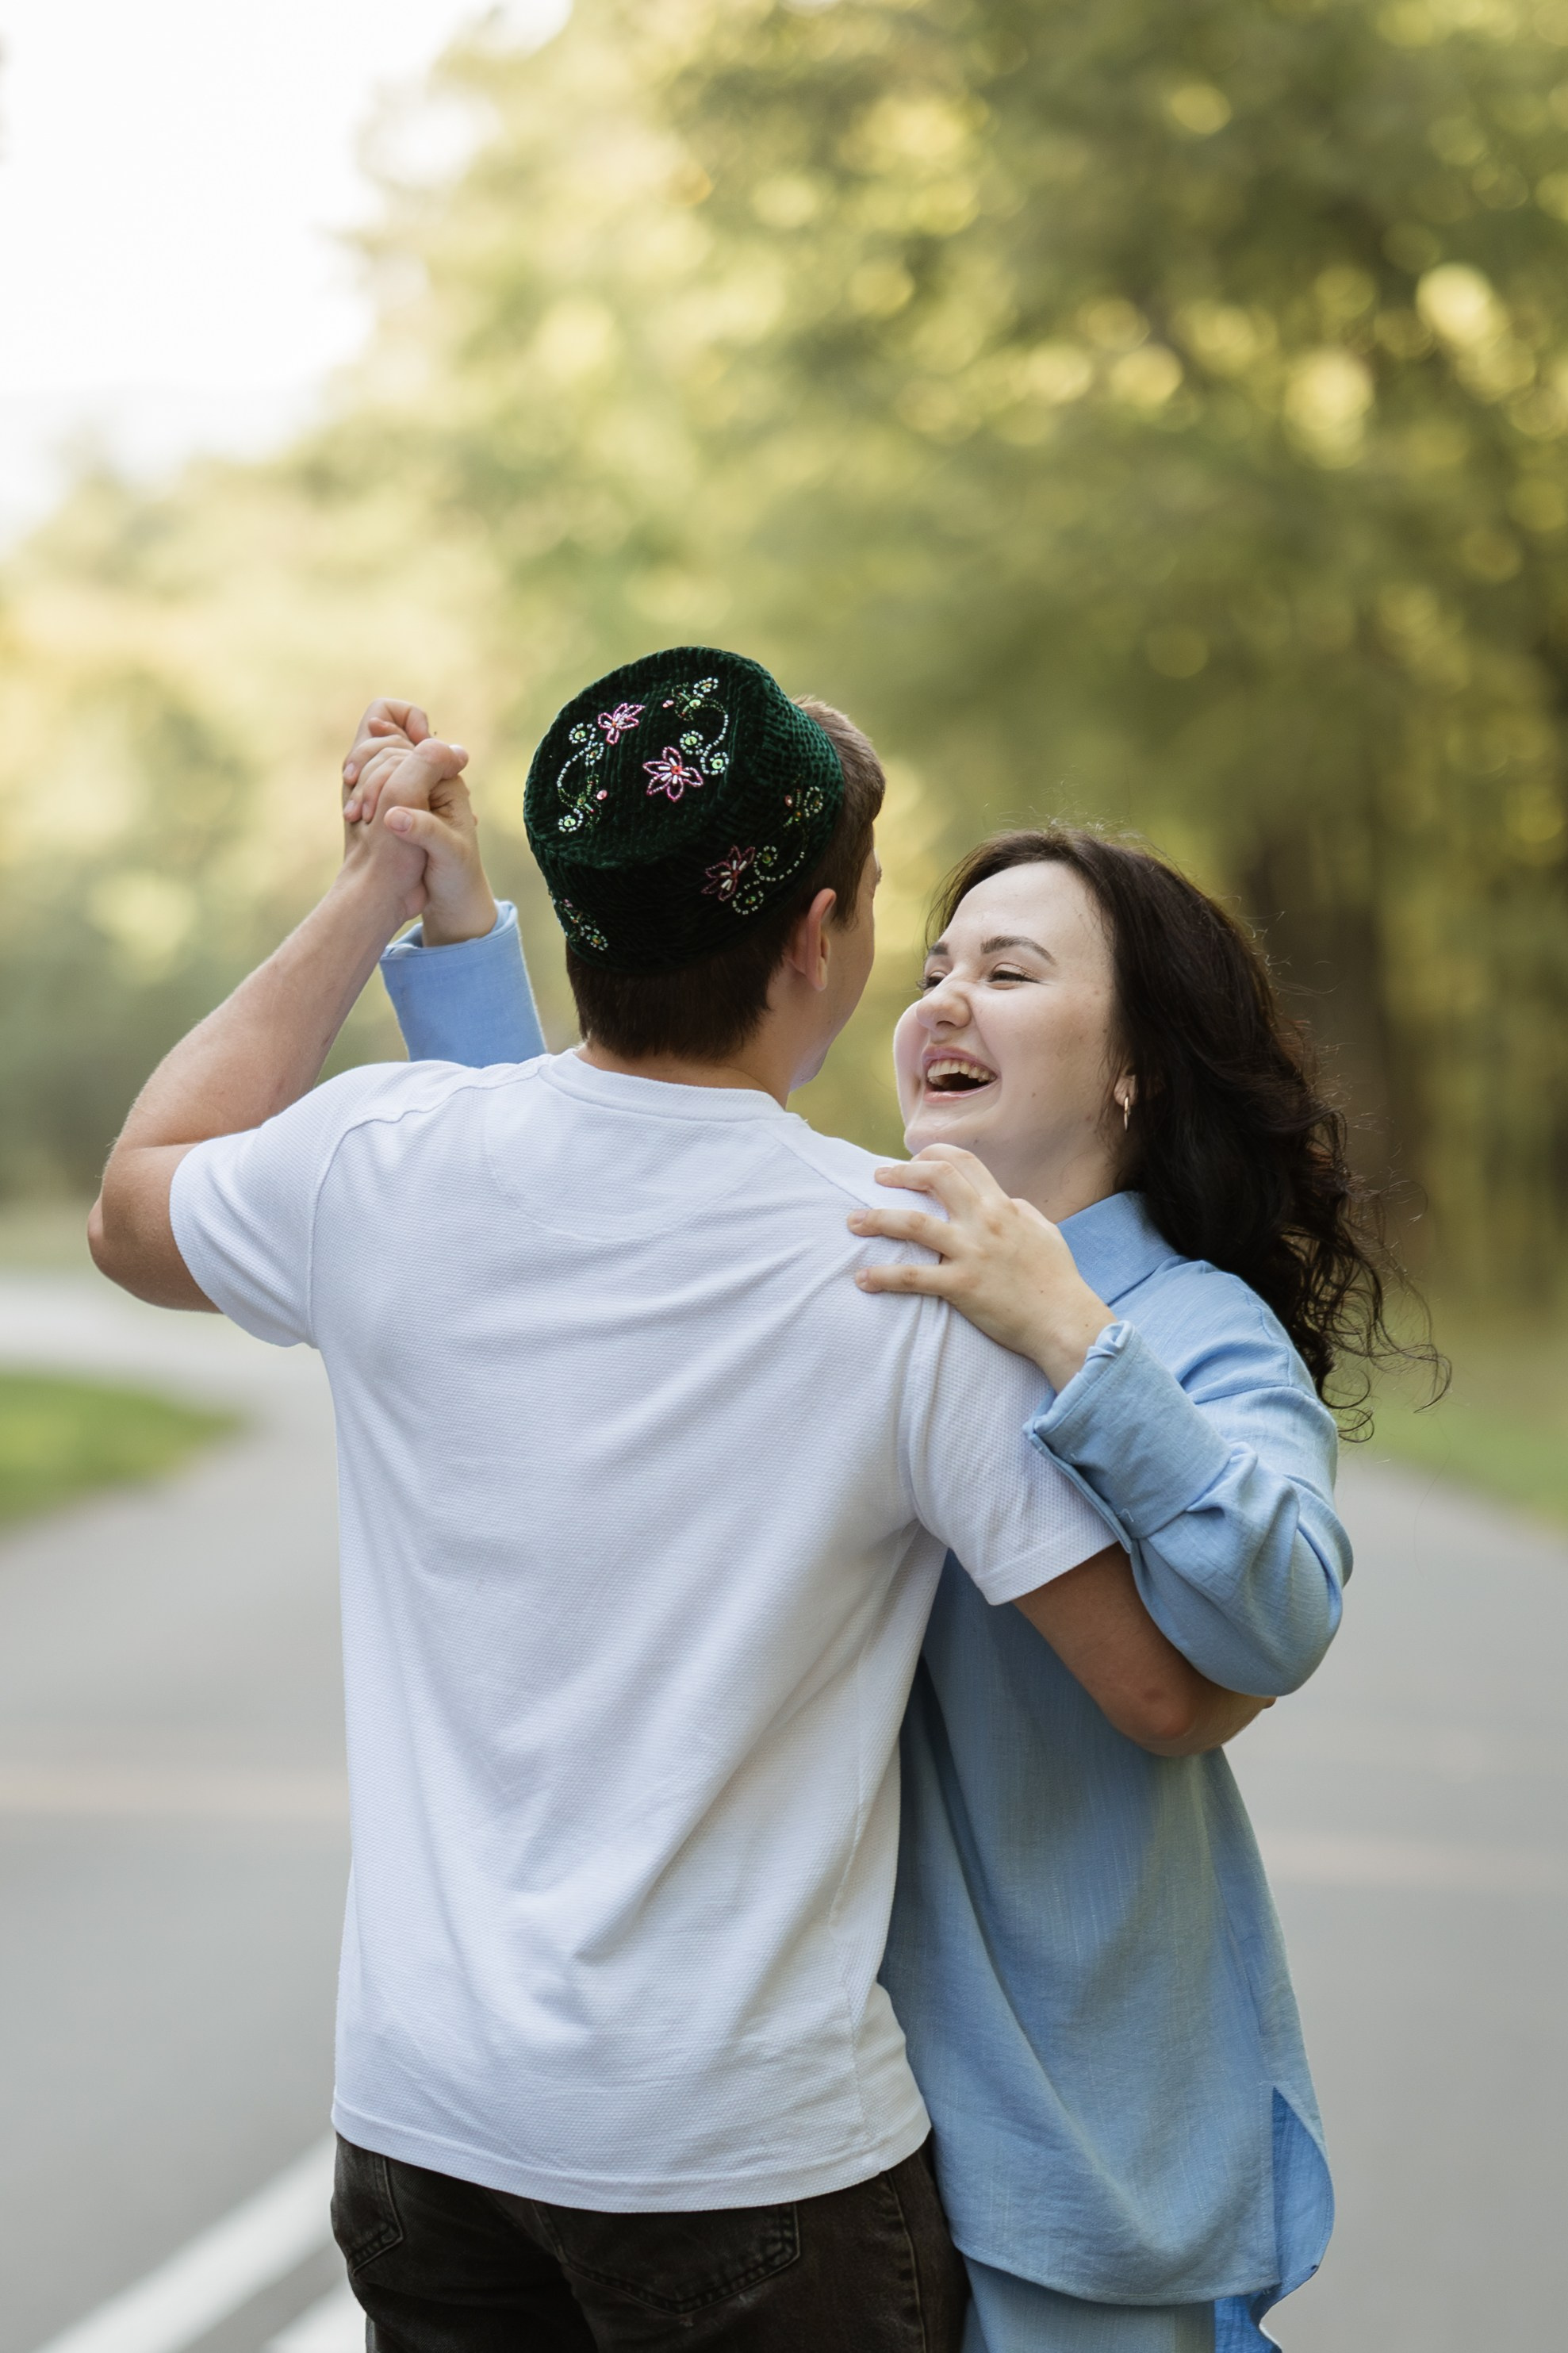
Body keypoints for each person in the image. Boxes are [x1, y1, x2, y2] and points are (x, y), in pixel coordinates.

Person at [90, 648, 1264, 2353]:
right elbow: (1161, 1691)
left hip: (426, 2135)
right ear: (819, 937)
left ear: (581, 919)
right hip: (750, 2165)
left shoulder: (388, 1163)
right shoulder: (904, 1262)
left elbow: (136, 1203)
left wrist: (370, 894)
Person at [363, 731, 1400, 2349]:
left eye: (1009, 967)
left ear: (1133, 1063)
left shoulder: (1185, 1330)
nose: (943, 999)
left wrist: (1067, 1334)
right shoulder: (863, 1262)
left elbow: (1267, 1617)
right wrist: (457, 938)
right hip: (814, 2146)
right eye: (928, 965)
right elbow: (578, 1194)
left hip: (1066, 2158)